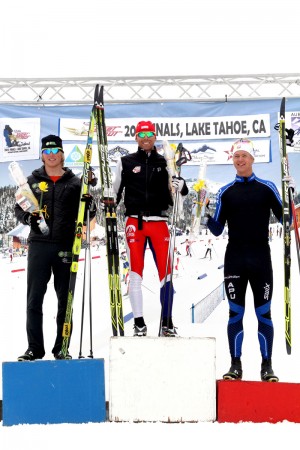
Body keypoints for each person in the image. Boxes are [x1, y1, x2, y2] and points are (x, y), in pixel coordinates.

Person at [204, 138, 295, 382]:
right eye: (236, 156)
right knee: (235, 314)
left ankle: (267, 366)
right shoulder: (226, 192)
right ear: (232, 160)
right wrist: (203, 212)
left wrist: (291, 196)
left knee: (264, 314)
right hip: (234, 260)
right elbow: (216, 229)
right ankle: (235, 364)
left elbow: (287, 219)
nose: (240, 160)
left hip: (260, 261)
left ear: (252, 159)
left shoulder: (267, 188)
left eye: (244, 156)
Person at [15, 135, 96, 361]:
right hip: (39, 245)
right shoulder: (31, 180)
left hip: (65, 245)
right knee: (34, 300)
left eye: (55, 151)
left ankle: (62, 348)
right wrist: (27, 220)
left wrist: (91, 204)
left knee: (66, 301)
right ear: (42, 155)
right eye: (47, 151)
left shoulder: (74, 182)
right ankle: (34, 349)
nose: (51, 155)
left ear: (62, 154)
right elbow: (19, 208)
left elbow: (90, 213)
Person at [113, 120, 188, 337]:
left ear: (154, 137)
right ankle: (139, 322)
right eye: (141, 134)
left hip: (159, 222)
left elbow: (179, 192)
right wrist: (107, 202)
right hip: (134, 223)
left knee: (166, 274)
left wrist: (182, 186)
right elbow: (115, 192)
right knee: (136, 273)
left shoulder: (165, 161)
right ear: (136, 137)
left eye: (149, 134)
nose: (146, 138)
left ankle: (167, 322)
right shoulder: (125, 161)